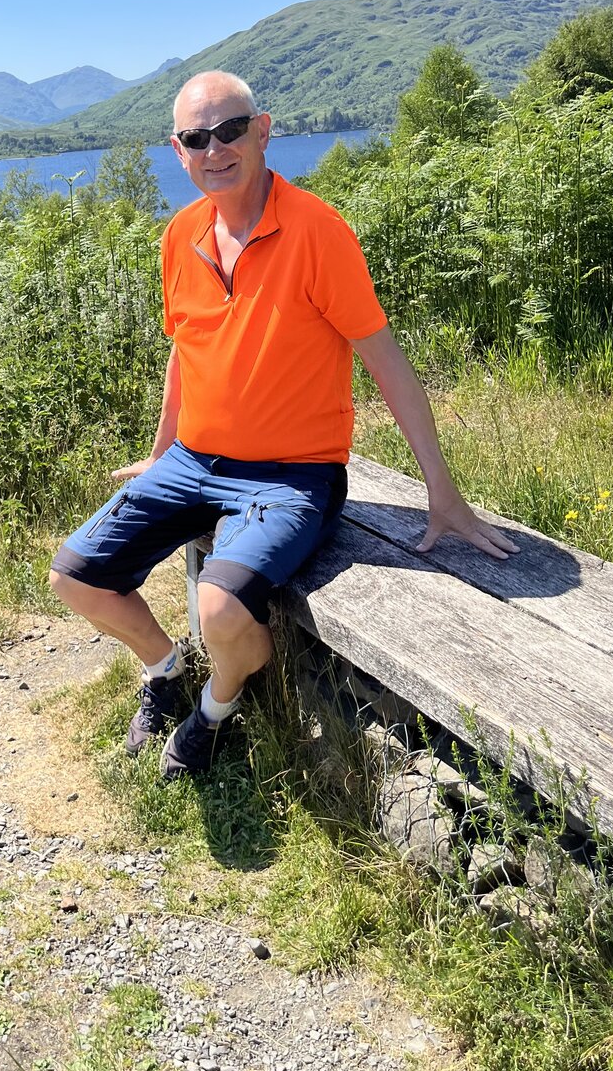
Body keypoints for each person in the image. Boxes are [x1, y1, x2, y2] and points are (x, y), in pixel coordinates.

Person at [50, 71, 518, 779]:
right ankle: (164, 669)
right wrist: (161, 450)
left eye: (230, 130)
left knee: (220, 610)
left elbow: (386, 363)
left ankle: (216, 704)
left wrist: (442, 492)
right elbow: (186, 349)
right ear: (177, 150)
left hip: (291, 476)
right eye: (196, 138)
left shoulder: (317, 231)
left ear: (263, 130)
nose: (215, 149)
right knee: (75, 577)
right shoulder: (180, 235)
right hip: (192, 462)